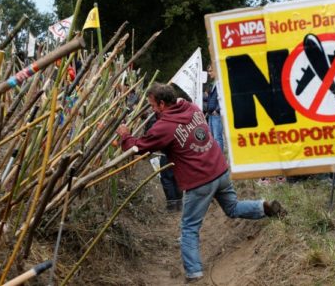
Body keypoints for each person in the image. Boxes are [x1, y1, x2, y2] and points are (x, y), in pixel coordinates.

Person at [117, 83, 284, 282]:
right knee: (232, 207)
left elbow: (138, 148)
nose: (152, 109)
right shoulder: (192, 108)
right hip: (219, 169)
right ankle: (263, 207)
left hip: (200, 180)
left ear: (162, 104)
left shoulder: (164, 126)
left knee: (189, 227)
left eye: (152, 105)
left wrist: (125, 136)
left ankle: (194, 273)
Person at [203, 64, 224, 151]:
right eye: (208, 71)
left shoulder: (220, 82)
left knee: (217, 137)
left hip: (216, 114)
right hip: (210, 114)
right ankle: (215, 158)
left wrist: (218, 110)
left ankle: (220, 159)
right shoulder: (212, 83)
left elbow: (223, 97)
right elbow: (208, 98)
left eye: (211, 71)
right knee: (212, 138)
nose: (209, 73)